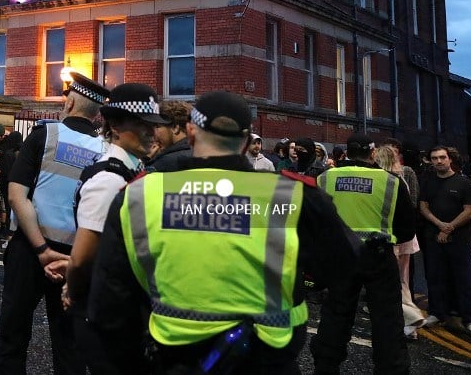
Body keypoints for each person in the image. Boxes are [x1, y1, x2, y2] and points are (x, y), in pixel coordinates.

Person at [88, 91, 358, 374]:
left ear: (191, 132)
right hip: (268, 361)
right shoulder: (292, 195)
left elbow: (110, 308)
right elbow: (345, 267)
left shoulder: (141, 194)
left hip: (174, 360)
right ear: (246, 140)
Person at [0, 71, 110, 375]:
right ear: (95, 113)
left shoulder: (45, 135)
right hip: (76, 258)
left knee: (13, 335)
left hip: (31, 251)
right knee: (69, 345)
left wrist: (42, 249)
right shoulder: (105, 153)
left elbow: (18, 196)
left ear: (70, 103)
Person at [65, 83, 167, 372]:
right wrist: (72, 290)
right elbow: (84, 257)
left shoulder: (133, 171)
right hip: (105, 313)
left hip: (122, 307)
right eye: (142, 124)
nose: (152, 132)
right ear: (116, 127)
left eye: (154, 125)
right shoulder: (110, 179)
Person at [311, 134, 413, 374]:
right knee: (387, 319)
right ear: (373, 153)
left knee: (336, 313)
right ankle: (391, 369)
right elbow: (407, 229)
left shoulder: (324, 177)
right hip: (377, 256)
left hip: (340, 256)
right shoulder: (391, 181)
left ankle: (326, 366)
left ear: (346, 153)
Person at [419, 145, 471, 337]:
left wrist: (449, 228)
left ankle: (470, 320)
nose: (438, 161)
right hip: (433, 238)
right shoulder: (428, 183)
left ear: (449, 159)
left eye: (442, 158)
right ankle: (436, 313)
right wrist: (440, 225)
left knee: (463, 280)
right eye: (434, 158)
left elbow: (470, 211)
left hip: (460, 240)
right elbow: (424, 207)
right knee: (435, 278)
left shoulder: (464, 183)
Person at [374, 143, 426, 338]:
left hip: (394, 238)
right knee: (401, 281)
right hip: (404, 238)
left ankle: (411, 318)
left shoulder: (389, 180)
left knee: (394, 282)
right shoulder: (399, 178)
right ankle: (408, 324)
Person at [145, 99, 191, 172]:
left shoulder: (164, 163)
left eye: (157, 126)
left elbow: (138, 181)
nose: (153, 133)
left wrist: (146, 160)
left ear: (175, 128)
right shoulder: (203, 155)